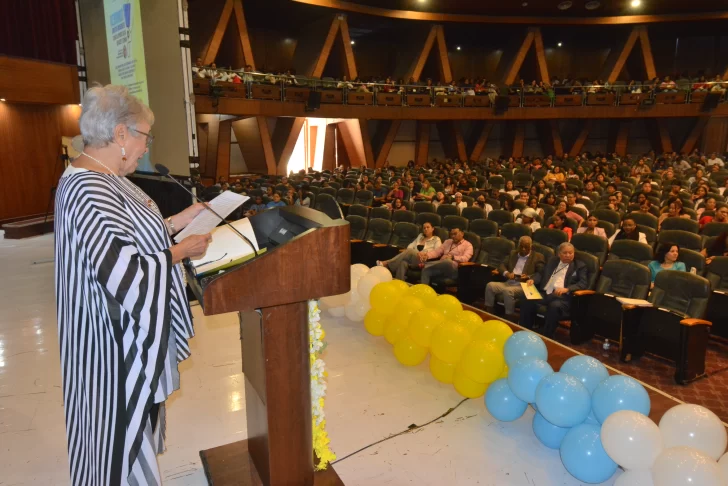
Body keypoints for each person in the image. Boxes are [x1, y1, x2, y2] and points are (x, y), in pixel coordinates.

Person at [55, 85, 212, 485]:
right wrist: (180, 252)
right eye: (145, 135)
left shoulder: (105, 176)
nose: (146, 146)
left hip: (124, 335)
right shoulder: (87, 187)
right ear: (121, 134)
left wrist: (178, 223)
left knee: (133, 433)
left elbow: (126, 236)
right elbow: (123, 273)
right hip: (112, 343)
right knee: (119, 434)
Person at [519, 242, 588, 338]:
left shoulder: (580, 266)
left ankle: (546, 336)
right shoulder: (552, 261)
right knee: (527, 297)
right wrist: (533, 280)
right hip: (546, 293)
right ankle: (524, 330)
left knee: (554, 306)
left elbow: (583, 283)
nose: (568, 255)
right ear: (559, 254)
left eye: (571, 253)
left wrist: (567, 289)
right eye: (565, 253)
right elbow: (541, 273)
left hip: (563, 297)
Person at [484, 236, 545, 321]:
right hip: (509, 282)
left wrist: (529, 277)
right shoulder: (513, 253)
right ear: (518, 245)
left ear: (531, 247)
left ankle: (509, 318)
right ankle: (489, 313)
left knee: (508, 291)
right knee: (490, 286)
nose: (523, 249)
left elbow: (540, 273)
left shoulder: (538, 256)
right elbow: (502, 265)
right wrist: (507, 273)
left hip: (523, 285)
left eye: (526, 247)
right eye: (521, 246)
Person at [377, 222, 442, 279]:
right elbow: (410, 246)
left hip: (425, 260)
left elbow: (437, 252)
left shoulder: (436, 239)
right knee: (403, 262)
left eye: (428, 227)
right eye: (424, 228)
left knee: (409, 251)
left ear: (433, 228)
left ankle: (387, 263)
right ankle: (399, 283)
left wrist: (425, 254)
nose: (426, 229)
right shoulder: (420, 236)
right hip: (415, 259)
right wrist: (416, 253)